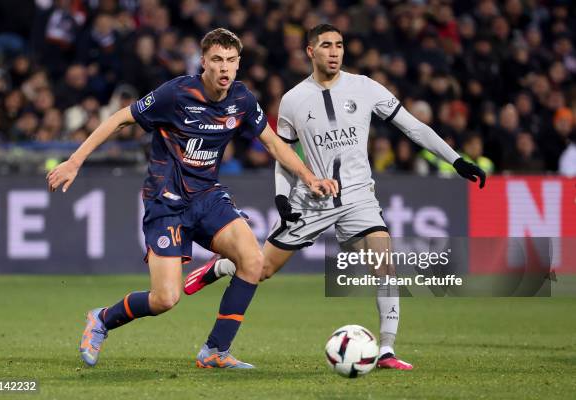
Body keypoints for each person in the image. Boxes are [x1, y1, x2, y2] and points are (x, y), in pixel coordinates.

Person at [184, 24, 486, 371]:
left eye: (339, 45)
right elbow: (284, 156)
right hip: (312, 200)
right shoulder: (294, 100)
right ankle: (222, 267)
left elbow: (412, 126)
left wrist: (456, 159)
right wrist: (283, 198)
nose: (334, 52)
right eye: (326, 45)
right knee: (261, 269)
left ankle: (385, 349)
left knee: (385, 263)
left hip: (359, 197)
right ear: (310, 52)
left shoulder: (365, 87)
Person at [46, 28, 337, 369]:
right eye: (217, 60)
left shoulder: (241, 100)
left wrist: (309, 177)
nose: (224, 68)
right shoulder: (176, 94)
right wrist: (75, 160)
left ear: (239, 63)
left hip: (208, 197)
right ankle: (102, 319)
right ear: (203, 62)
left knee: (253, 261)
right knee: (165, 299)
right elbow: (121, 119)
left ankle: (215, 350)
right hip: (165, 201)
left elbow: (273, 143)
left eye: (230, 60)